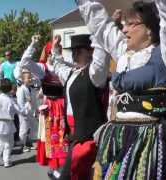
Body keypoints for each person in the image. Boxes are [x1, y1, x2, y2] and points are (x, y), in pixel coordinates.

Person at [76, 0, 166, 179]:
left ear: (149, 29)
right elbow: (101, 26)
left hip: (152, 139)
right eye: (124, 25)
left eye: (131, 24)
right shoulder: (124, 54)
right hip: (118, 137)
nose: (124, 30)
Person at [49, 33, 110, 179]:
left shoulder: (95, 74)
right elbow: (58, 67)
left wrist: (102, 32)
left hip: (88, 136)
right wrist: (56, 51)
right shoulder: (71, 73)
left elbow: (101, 59)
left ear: (90, 52)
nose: (75, 55)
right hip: (73, 134)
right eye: (73, 52)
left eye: (79, 51)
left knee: (75, 174)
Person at [17, 35, 68, 171]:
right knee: (49, 134)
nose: (54, 53)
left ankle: (62, 163)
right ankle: (53, 163)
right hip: (50, 105)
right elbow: (24, 63)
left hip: (63, 105)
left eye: (58, 50)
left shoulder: (64, 66)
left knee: (63, 134)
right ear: (48, 52)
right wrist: (32, 45)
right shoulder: (42, 68)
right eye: (52, 51)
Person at [16, 69, 38, 152]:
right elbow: (20, 103)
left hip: (31, 111)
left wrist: (36, 110)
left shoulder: (32, 89)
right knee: (24, 129)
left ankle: (29, 142)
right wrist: (23, 112)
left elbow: (34, 101)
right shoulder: (21, 89)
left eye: (31, 78)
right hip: (24, 112)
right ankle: (22, 144)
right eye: (28, 78)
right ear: (23, 80)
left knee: (34, 126)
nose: (30, 80)